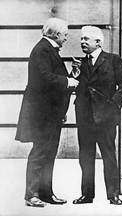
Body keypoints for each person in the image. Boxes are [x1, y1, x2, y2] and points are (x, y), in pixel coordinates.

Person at [15, 18, 79, 207]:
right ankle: (31, 195)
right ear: (56, 34)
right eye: (65, 35)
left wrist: (72, 74)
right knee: (41, 152)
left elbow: (51, 79)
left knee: (49, 152)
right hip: (43, 114)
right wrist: (69, 82)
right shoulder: (43, 49)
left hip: (50, 113)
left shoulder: (47, 49)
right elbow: (46, 78)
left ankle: (45, 193)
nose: (66, 39)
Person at [71, 26, 122, 205]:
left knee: (109, 156)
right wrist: (74, 74)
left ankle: (113, 194)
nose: (82, 42)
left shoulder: (113, 60)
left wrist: (113, 104)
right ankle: (87, 195)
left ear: (98, 42)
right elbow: (76, 87)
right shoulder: (80, 63)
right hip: (85, 117)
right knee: (85, 157)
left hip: (106, 118)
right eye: (81, 39)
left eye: (86, 39)